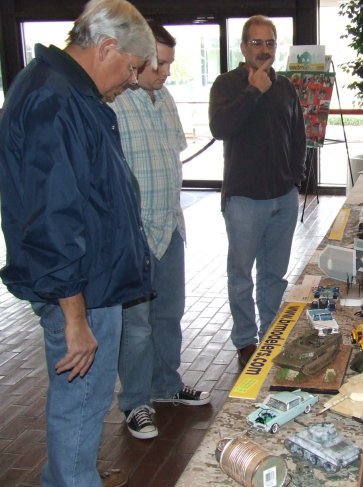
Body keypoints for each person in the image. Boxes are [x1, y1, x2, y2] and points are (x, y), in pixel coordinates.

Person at [0, 1, 156, 486]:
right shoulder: (55, 99)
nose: (133, 80)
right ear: (107, 47)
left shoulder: (66, 91)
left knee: (83, 402)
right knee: (82, 402)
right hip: (81, 291)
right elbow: (52, 218)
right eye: (132, 67)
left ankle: (71, 474)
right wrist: (75, 317)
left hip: (89, 282)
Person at [109, 19, 210, 440]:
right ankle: (135, 402)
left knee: (169, 315)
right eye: (160, 64)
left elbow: (171, 157)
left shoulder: (164, 98)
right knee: (136, 326)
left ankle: (166, 385)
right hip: (134, 235)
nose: (167, 72)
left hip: (170, 226)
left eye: (170, 64)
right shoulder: (115, 100)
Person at [208, 15, 306, 368]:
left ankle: (270, 333)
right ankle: (246, 340)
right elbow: (220, 128)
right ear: (243, 47)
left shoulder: (286, 87)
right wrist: (253, 91)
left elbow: (298, 136)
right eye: (256, 43)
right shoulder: (227, 84)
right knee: (241, 276)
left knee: (273, 275)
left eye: (269, 43)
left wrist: (295, 179)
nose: (264, 50)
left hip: (283, 198)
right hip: (244, 201)